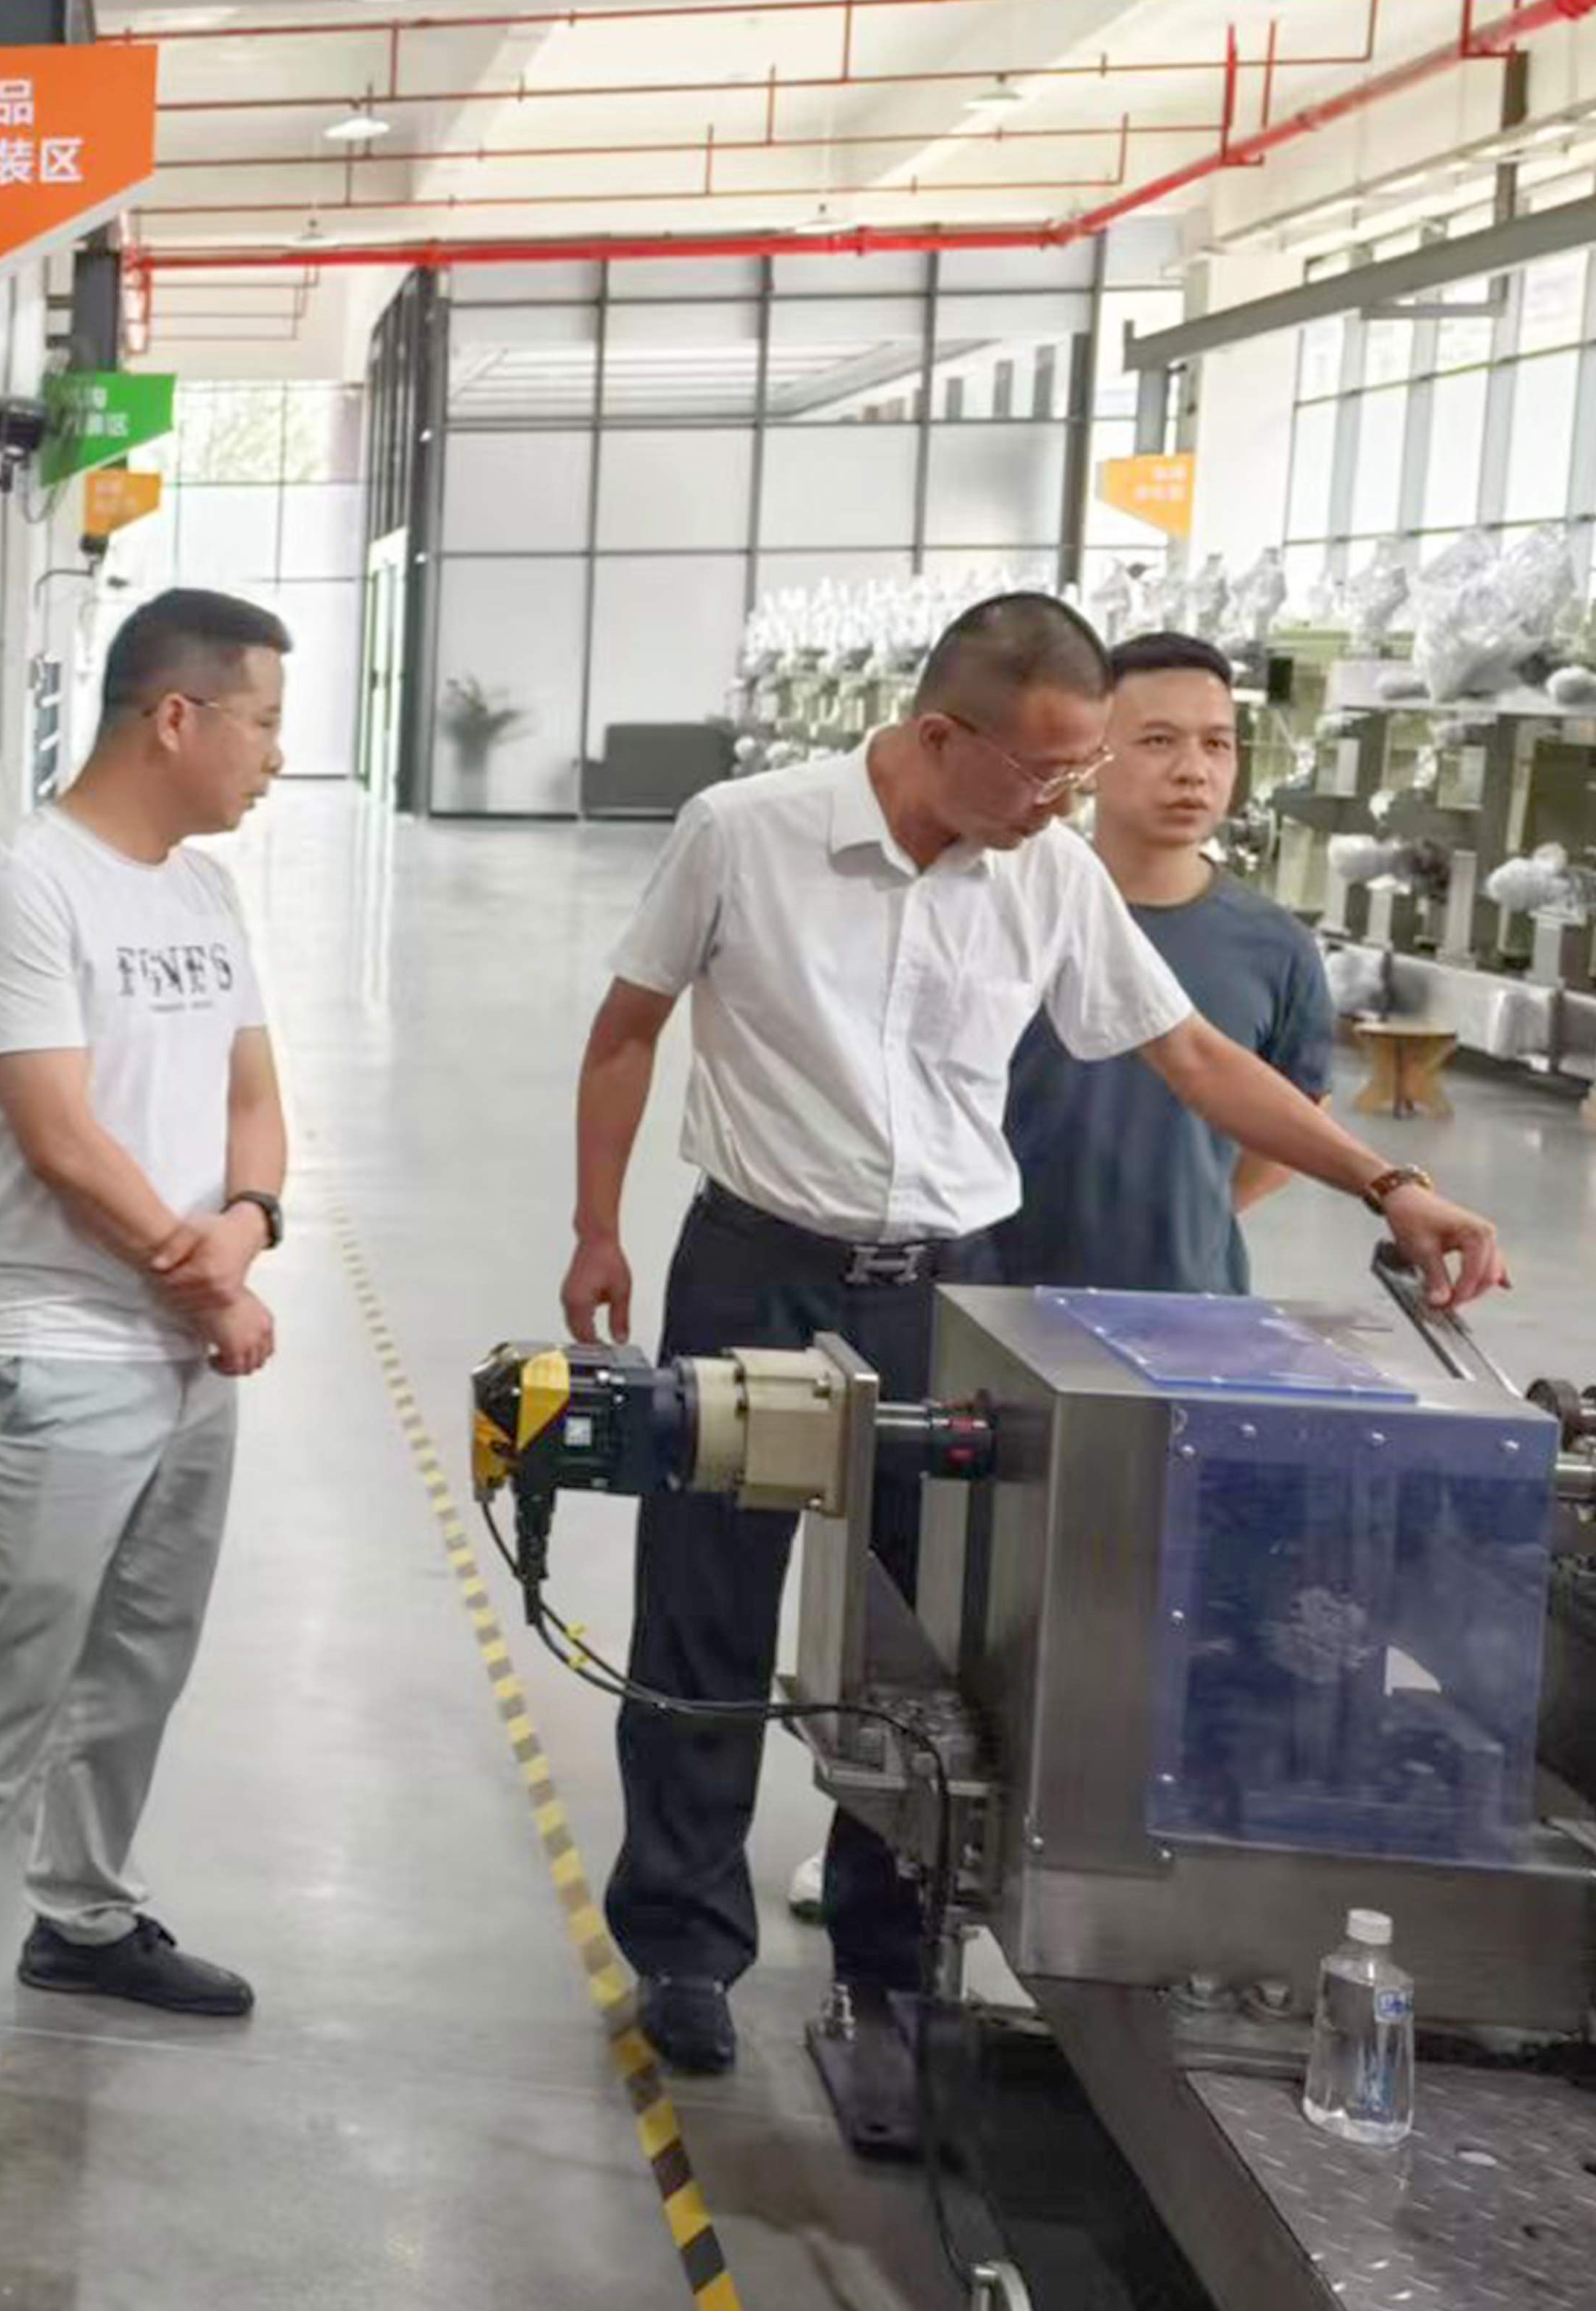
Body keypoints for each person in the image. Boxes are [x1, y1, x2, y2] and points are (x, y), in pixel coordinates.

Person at [557, 593, 1503, 2146]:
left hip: (950, 1288)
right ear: (943, 736)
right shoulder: (746, 832)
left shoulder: (1047, 872)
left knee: (932, 1648)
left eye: (1084, 772)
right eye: (1048, 770)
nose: (1070, 801)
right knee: (706, 1610)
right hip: (756, 1266)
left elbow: (1193, 1056)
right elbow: (627, 1028)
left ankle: (887, 1953)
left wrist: (1387, 1184)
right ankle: (684, 1946)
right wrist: (599, 1227)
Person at [0, 589, 293, 2180]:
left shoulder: (206, 887)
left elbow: (254, 1097)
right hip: (60, 1353)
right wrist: (211, 1280)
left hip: (189, 1346)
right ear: (176, 716)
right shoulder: (22, 886)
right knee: (14, 1687)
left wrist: (248, 1224)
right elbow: (57, 1136)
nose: (274, 754)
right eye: (261, 721)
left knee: (141, 1660)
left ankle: (83, 1914)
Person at [990, 632, 1332, 1295]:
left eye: (1217, 744)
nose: (1193, 770)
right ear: (1088, 758)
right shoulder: (1009, 908)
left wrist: (1188, 1219)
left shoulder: (1275, 946)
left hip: (1187, 1302)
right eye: (1157, 741)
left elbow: (1293, 1126)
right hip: (992, 1289)